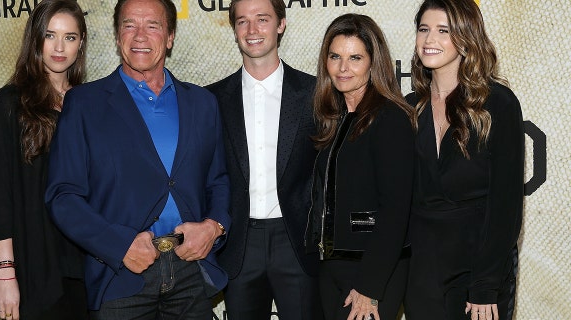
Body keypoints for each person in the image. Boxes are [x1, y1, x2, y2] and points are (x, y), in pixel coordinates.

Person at [44, 0, 231, 318]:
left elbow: (219, 181)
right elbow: (63, 196)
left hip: (191, 274)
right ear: (118, 36)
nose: (140, 36)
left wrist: (214, 227)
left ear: (170, 36)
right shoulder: (85, 104)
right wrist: (119, 246)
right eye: (129, 25)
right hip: (120, 277)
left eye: (153, 26)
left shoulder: (202, 103)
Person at [404, 0, 524, 319]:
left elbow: (506, 205)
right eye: (424, 29)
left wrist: (485, 285)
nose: (430, 39)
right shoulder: (408, 108)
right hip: (423, 274)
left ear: (465, 37)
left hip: (479, 270)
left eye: (443, 31)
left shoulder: (498, 104)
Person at [205, 0, 321, 319]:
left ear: (281, 24)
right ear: (234, 29)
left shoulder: (315, 93)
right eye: (242, 21)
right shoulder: (211, 100)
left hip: (296, 241)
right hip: (238, 243)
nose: (252, 30)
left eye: (262, 19)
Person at [304, 13, 415, 320]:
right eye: (335, 56)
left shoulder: (390, 118)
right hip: (332, 268)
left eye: (355, 58)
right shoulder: (334, 117)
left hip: (372, 272)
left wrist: (370, 286)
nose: (343, 68)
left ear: (372, 62)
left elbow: (395, 211)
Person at [0, 1, 88, 319]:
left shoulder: (88, 102)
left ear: (80, 43)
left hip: (86, 266)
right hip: (34, 267)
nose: (59, 47)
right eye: (50, 35)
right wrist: (5, 273)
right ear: (35, 40)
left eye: (70, 37)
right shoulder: (11, 102)